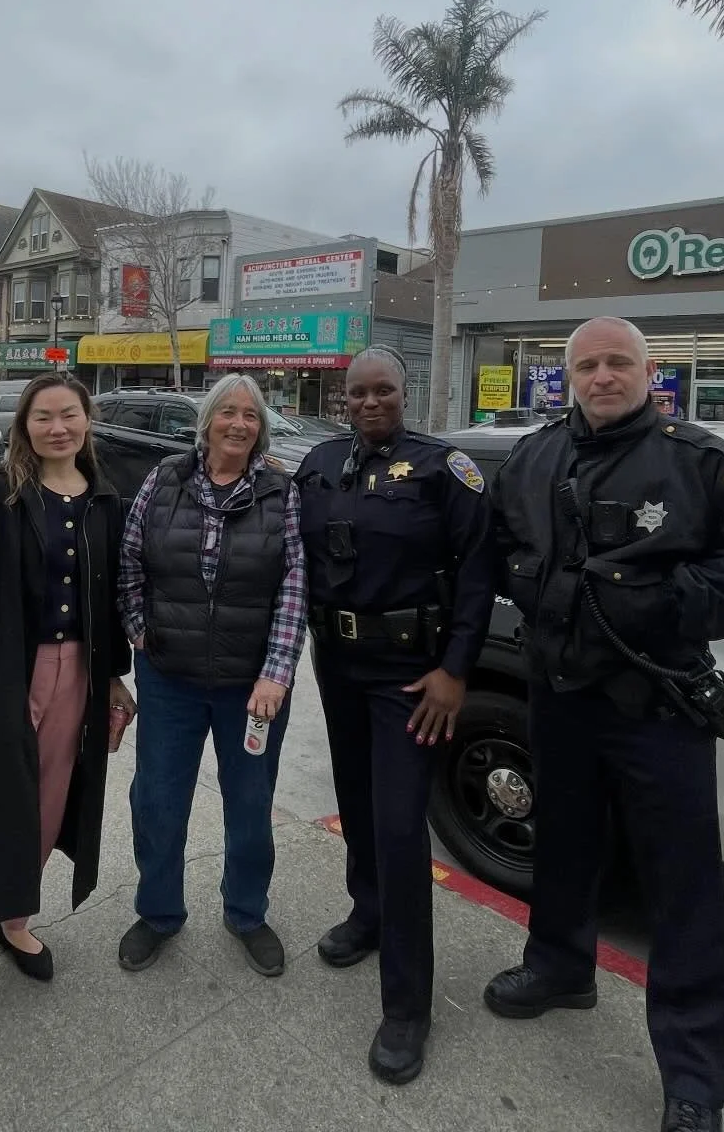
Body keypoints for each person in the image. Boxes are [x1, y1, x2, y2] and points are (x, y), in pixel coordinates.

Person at [482, 316, 724, 1132]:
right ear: (568, 378)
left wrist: (664, 602)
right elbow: (496, 546)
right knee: (563, 849)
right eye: (587, 365)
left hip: (656, 708)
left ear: (647, 371)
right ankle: (559, 969)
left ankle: (694, 1076)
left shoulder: (700, 463)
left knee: (681, 891)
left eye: (617, 362)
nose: (602, 376)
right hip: (559, 696)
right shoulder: (533, 457)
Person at [293, 346, 496, 1085]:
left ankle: (408, 1006)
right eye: (357, 393)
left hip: (411, 678)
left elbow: (479, 572)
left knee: (404, 826)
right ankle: (369, 912)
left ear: (406, 394)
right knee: (358, 805)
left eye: (383, 391)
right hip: (338, 665)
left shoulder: (446, 470)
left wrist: (456, 670)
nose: (369, 403)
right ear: (342, 398)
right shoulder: (317, 463)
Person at [0, 373, 133, 1030]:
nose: (57, 428)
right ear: (24, 425)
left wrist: (113, 679)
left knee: (47, 807)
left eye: (68, 415)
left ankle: (15, 922)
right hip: (9, 673)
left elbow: (113, 601)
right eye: (43, 417)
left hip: (80, 674)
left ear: (86, 421)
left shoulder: (105, 500)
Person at [116, 374, 308, 978]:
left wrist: (277, 671)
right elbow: (130, 559)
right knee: (157, 801)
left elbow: (294, 587)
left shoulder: (281, 491)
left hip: (250, 686)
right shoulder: (165, 479)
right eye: (227, 411)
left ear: (262, 428)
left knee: (250, 807)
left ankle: (247, 912)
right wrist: (138, 629)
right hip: (169, 676)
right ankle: (159, 911)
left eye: (250, 416)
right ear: (207, 421)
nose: (238, 424)